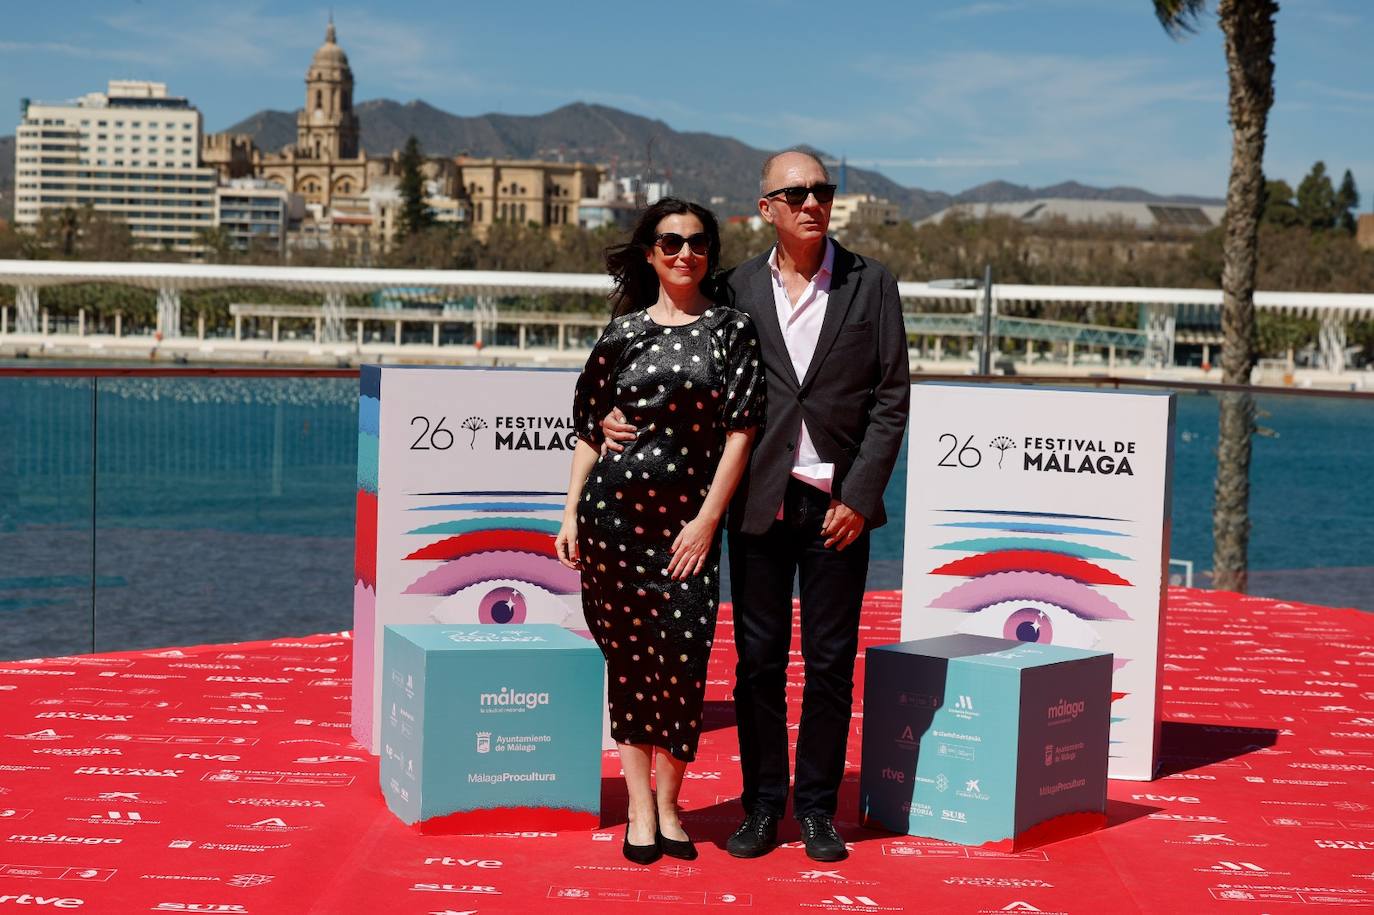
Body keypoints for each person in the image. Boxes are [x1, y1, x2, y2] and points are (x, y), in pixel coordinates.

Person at [603, 151, 910, 862]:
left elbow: (891, 399)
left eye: (823, 191)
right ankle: (764, 805)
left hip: (838, 510)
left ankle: (816, 809)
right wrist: (617, 411)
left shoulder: (873, 285)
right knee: (758, 664)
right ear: (767, 206)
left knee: (831, 663)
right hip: (758, 505)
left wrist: (859, 497)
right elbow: (680, 354)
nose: (813, 203)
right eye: (796, 193)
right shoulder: (736, 287)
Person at [555, 197, 765, 865]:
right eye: (670, 241)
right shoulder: (620, 334)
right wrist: (569, 511)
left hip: (686, 533)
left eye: (697, 242)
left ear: (710, 252)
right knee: (631, 668)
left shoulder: (731, 330)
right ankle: (641, 807)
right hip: (613, 524)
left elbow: (741, 433)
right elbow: (591, 428)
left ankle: (672, 802)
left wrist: (706, 521)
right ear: (650, 252)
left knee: (682, 666)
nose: (684, 253)